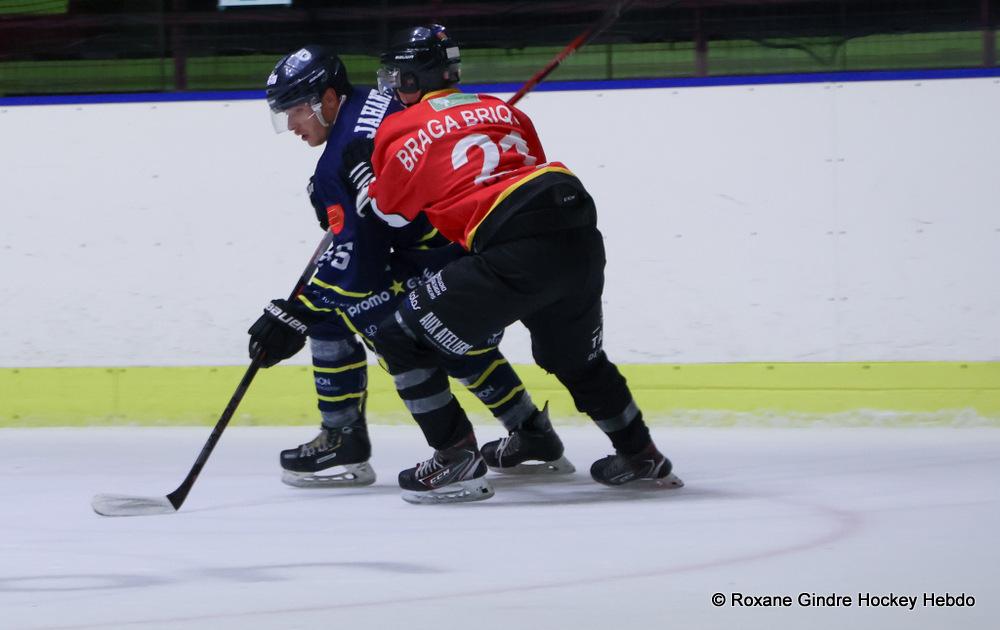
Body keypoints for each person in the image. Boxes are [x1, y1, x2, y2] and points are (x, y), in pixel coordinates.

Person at [360, 25, 683, 501]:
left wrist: (364, 171)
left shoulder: (398, 127)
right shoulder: (502, 109)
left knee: (396, 334)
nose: (392, 86)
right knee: (576, 359)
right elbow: (520, 166)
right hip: (575, 229)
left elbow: (388, 212)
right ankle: (641, 456)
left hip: (515, 243)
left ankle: (454, 457)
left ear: (413, 78)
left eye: (397, 77)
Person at [246, 46, 573, 500]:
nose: (293, 127)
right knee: (450, 340)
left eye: (296, 112)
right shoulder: (376, 100)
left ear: (326, 99)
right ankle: (530, 430)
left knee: (383, 324)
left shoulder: (337, 161)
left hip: (443, 250)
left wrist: (295, 312)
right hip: (466, 242)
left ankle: (375, 441)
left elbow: (360, 267)